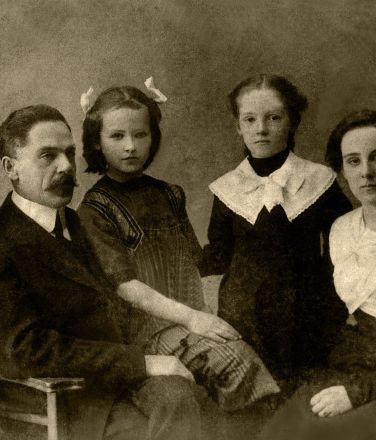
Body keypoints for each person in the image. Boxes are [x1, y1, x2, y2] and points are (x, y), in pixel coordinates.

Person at [0, 104, 221, 440]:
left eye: (69, 153)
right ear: (10, 168)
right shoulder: (4, 241)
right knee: (179, 407)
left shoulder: (77, 222)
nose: (65, 166)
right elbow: (27, 350)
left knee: (211, 397)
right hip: (63, 399)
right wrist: (142, 363)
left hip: (118, 378)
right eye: (47, 156)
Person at [77, 82, 280, 413]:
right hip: (142, 334)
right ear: (97, 142)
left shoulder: (169, 194)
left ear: (152, 137)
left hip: (187, 322)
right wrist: (194, 320)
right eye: (117, 137)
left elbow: (197, 264)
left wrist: (213, 316)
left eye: (140, 135)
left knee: (251, 343)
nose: (130, 146)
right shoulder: (96, 208)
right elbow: (126, 287)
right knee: (237, 363)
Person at [260, 109, 376, 440]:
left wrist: (356, 394)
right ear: (342, 170)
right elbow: (332, 314)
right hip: (352, 364)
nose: (366, 172)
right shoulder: (341, 228)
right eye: (353, 161)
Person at [199, 74, 351, 385]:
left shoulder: (319, 180)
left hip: (308, 313)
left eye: (273, 117)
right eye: (250, 119)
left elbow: (346, 244)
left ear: (292, 122)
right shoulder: (227, 189)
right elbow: (218, 255)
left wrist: (338, 306)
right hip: (243, 316)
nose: (261, 129)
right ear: (238, 126)